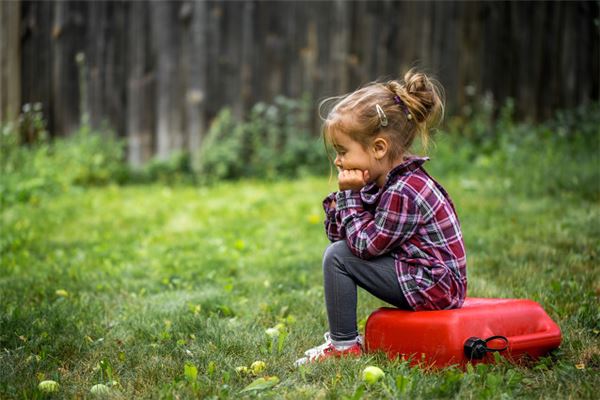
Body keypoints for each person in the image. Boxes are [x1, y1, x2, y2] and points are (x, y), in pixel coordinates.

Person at [295, 70, 467, 366]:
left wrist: (348, 197)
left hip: (436, 285)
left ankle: (343, 346)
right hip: (422, 276)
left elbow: (362, 247)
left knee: (337, 258)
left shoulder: (405, 190)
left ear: (378, 148)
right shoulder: (380, 181)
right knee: (338, 253)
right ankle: (343, 343)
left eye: (342, 151)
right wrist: (349, 198)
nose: (337, 161)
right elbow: (342, 234)